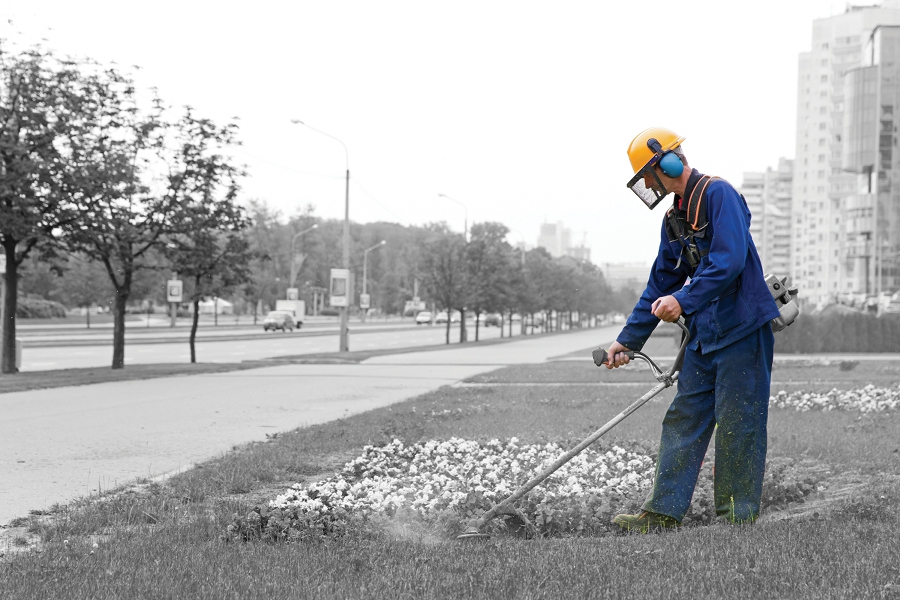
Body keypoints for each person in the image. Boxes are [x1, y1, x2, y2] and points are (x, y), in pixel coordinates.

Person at [606, 127, 781, 531]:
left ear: (666, 162)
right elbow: (660, 283)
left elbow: (729, 260)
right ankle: (661, 515)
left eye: (648, 175)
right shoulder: (674, 218)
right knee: (683, 420)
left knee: (739, 424)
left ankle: (737, 519)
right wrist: (626, 341)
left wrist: (682, 301)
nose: (648, 185)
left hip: (742, 331)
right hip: (705, 338)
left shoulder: (720, 195)